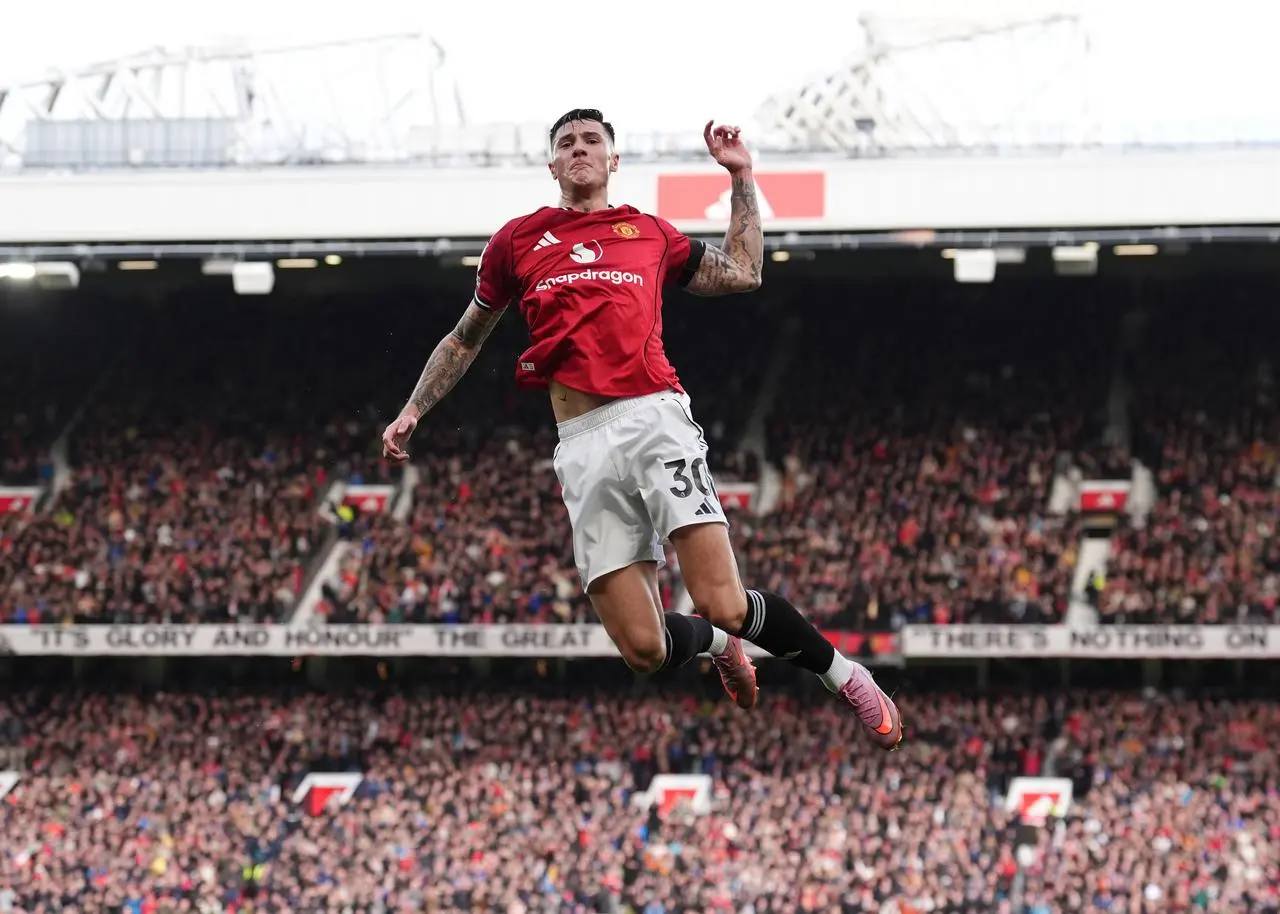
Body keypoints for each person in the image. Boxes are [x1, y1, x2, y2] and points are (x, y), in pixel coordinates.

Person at [382, 108, 901, 749]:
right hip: (580, 443)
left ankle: (845, 676)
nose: (579, 150)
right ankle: (717, 648)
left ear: (613, 159)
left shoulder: (649, 233)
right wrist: (414, 408)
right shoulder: (517, 241)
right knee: (644, 651)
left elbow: (744, 271)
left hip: (654, 418)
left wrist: (741, 177)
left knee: (725, 602)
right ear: (551, 165)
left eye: (592, 140)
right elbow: (464, 340)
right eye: (566, 143)